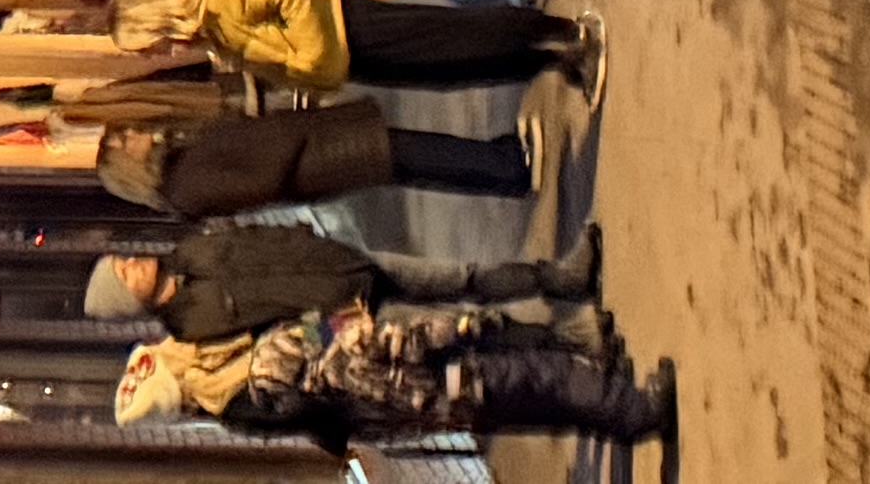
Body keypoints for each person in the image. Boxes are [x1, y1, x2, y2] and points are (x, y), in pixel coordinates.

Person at [112, 297, 677, 463]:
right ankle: (638, 413)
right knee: (541, 379)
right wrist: (446, 328)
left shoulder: (238, 412)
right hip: (424, 376)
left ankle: (617, 416)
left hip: (420, 410)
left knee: (531, 402)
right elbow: (359, 350)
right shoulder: (260, 367)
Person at [114, 0, 593, 94]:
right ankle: (547, 63)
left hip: (350, 28)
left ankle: (562, 31)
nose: (155, 56)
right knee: (449, 73)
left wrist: (311, 57)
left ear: (153, 22)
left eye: (146, 47)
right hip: (349, 60)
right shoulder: (209, 33)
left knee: (453, 40)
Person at [84, 227, 601, 339]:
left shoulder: (188, 250)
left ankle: (562, 279)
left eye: (125, 260)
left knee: (463, 277)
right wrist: (334, 329)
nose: (133, 263)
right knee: (469, 328)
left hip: (347, 260)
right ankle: (570, 339)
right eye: (124, 274)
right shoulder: (192, 326)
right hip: (350, 311)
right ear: (130, 303)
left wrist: (314, 238)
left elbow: (258, 237)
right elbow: (271, 335)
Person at [91, 99, 527, 213]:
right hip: (315, 159)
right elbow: (254, 184)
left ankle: (499, 168)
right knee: (411, 153)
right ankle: (503, 166)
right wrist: (289, 140)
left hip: (313, 151)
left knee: (411, 157)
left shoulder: (177, 166)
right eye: (124, 141)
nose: (134, 133)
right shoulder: (183, 188)